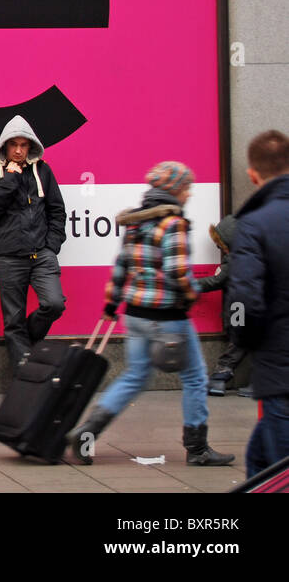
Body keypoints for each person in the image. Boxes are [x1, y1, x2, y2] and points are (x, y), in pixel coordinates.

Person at [68, 162, 233, 466]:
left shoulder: (136, 222)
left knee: (133, 376)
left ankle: (88, 431)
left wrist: (110, 304)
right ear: (174, 190)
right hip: (168, 318)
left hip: (135, 315)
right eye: (186, 188)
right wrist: (192, 293)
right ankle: (197, 449)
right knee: (196, 378)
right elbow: (176, 272)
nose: (189, 193)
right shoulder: (174, 224)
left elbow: (121, 267)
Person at [0, 115, 66, 368]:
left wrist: (51, 245)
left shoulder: (43, 171)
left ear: (31, 146)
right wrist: (10, 180)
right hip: (8, 256)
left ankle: (23, 345)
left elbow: (56, 210)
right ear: (4, 146)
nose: (18, 150)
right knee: (13, 320)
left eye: (23, 145)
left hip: (42, 254)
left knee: (54, 304)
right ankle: (23, 375)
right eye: (12, 145)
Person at [227, 130, 289, 477]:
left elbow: (244, 302)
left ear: (252, 175)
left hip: (280, 370)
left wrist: (244, 342)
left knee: (275, 471)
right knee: (259, 463)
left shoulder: (253, 225)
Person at [195, 215, 250, 397]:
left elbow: (217, 281)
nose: (219, 248)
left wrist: (191, 285)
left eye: (220, 244)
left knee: (239, 340)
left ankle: (221, 376)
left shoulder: (236, 260)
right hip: (244, 306)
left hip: (240, 307)